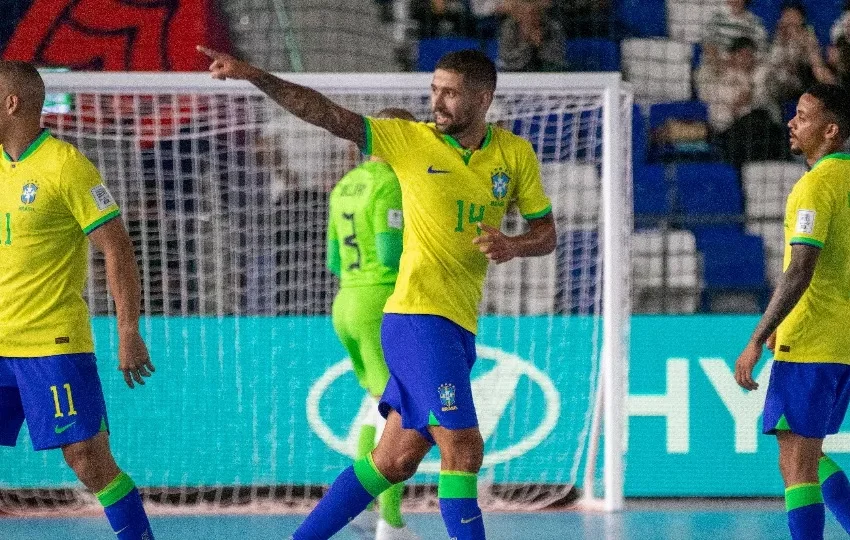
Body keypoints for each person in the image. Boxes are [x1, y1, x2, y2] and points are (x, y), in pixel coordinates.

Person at [197, 45, 556, 540]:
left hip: (458, 324)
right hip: (414, 318)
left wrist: (514, 245)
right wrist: (257, 76)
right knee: (464, 449)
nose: (437, 101)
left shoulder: (515, 154)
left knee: (393, 461)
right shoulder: (409, 142)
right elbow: (325, 113)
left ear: (484, 97)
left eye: (450, 93)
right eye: (433, 90)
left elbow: (547, 234)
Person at [0, 61, 156, 539]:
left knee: (88, 460)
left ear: (12, 104)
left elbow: (117, 247)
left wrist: (127, 330)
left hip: (52, 342)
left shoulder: (66, 165)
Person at [735, 83, 850, 540]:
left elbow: (801, 266)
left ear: (830, 130)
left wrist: (758, 336)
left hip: (810, 340)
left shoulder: (816, 185)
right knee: (809, 451)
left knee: (796, 463)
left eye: (803, 116)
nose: (792, 122)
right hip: (841, 343)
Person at [326, 107, 418, 540]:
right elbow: (388, 253)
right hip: (380, 300)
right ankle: (392, 522)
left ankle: (363, 511)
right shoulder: (390, 183)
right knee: (400, 413)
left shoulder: (344, 185)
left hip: (346, 302)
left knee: (375, 404)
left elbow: (331, 260)